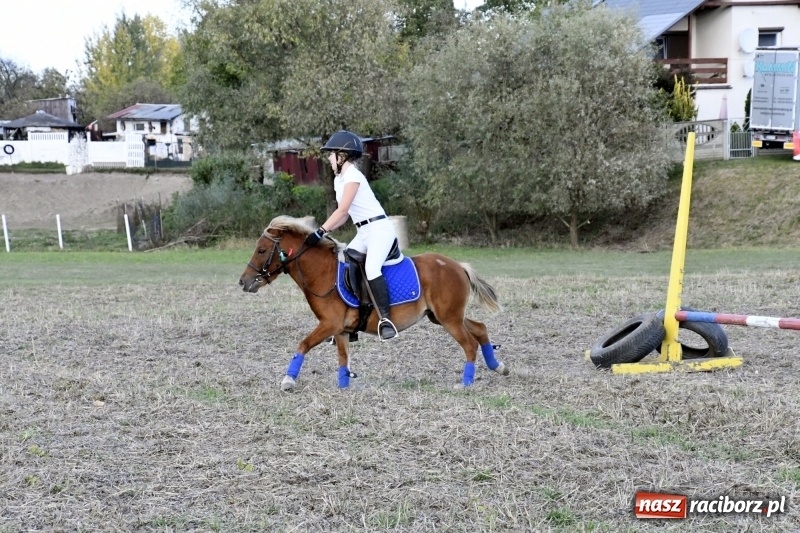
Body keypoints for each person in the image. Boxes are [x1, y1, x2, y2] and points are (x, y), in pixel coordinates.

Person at [304, 130, 399, 340]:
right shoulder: (340, 180)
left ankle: (386, 319)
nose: (329, 158)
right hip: (364, 232)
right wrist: (322, 233)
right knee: (345, 261)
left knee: (372, 268)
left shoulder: (353, 176)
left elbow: (342, 210)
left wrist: (320, 231)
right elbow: (344, 216)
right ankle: (354, 318)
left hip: (379, 230)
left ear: (342, 156)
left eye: (331, 154)